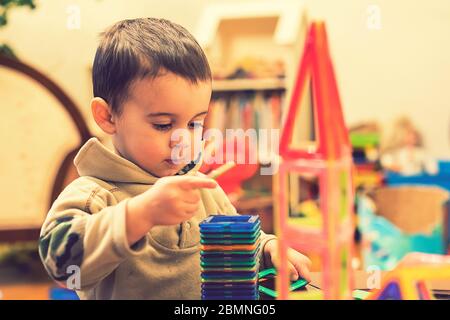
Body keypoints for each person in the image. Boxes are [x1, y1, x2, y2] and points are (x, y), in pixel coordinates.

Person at [38, 18, 311, 299]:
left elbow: (236, 248)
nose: (183, 140)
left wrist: (267, 249)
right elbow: (62, 266)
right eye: (163, 125)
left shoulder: (203, 188)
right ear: (108, 117)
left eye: (195, 124)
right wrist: (140, 215)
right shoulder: (93, 195)